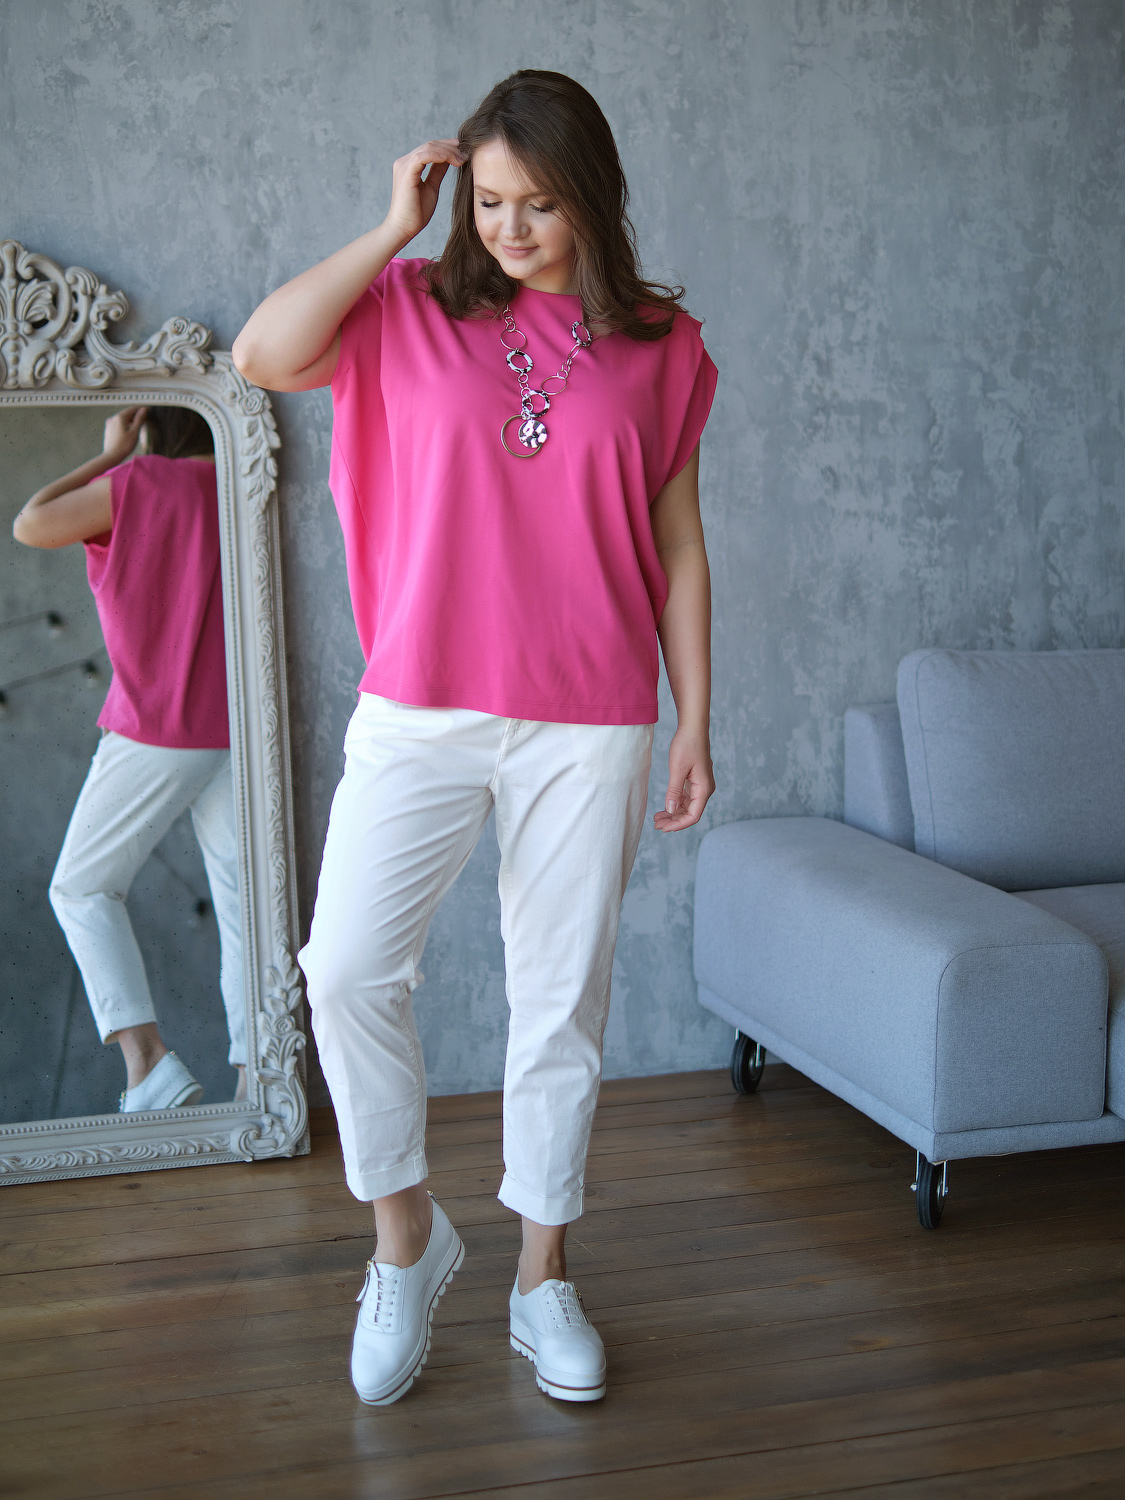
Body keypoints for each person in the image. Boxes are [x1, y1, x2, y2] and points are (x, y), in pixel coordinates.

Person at [233, 69, 717, 1406]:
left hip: (592, 714)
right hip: (423, 701)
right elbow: (261, 356)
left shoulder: (663, 347)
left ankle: (541, 1279)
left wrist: (696, 715)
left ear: (593, 200)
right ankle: (407, 1241)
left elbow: (678, 543)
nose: (509, 228)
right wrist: (394, 224)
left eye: (539, 205)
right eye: (490, 202)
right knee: (343, 970)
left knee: (558, 1004)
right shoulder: (404, 306)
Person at [12, 405, 247, 1112]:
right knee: (244, 908)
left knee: (81, 889)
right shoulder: (242, 480)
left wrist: (110, 455)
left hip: (158, 724)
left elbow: (31, 523)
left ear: (150, 418)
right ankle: (258, 1080)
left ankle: (148, 1063)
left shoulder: (139, 482)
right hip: (238, 726)